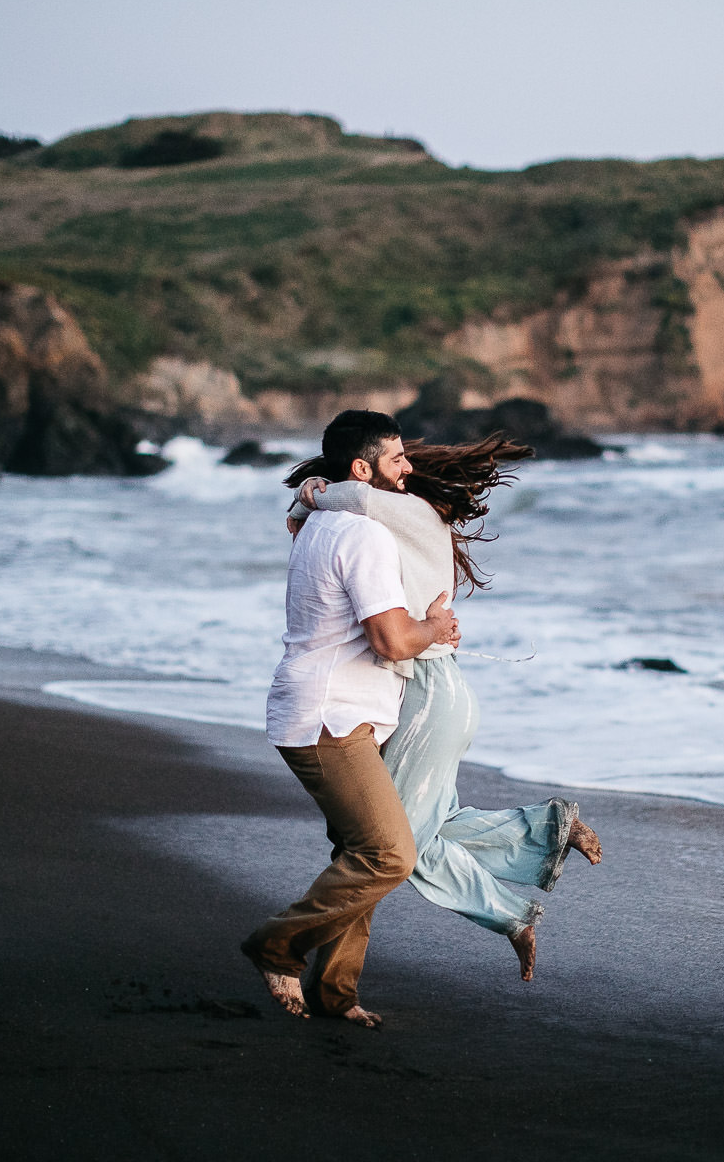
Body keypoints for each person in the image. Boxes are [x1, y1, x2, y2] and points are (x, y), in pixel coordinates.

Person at [285, 431, 602, 983]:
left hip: (428, 695)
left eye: (408, 460)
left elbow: (356, 498)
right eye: (398, 460)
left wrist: (309, 496)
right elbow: (355, 504)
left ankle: (511, 912)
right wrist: (308, 500)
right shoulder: (402, 523)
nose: (403, 469)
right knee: (414, 830)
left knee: (394, 845)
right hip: (436, 691)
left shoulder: (406, 513)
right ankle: (549, 831)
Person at [241, 410, 460, 1028]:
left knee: (357, 850)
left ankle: (336, 994)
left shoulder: (319, 523)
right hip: (329, 717)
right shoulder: (364, 535)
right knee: (389, 854)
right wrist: (436, 628)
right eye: (397, 459)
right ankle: (275, 945)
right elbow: (391, 641)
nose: (409, 468)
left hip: (328, 710)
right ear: (363, 470)